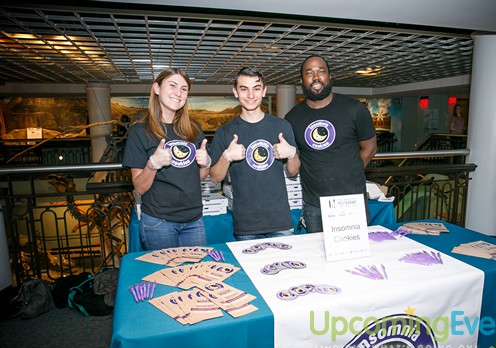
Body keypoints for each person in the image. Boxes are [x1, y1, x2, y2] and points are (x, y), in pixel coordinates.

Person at [284, 55, 377, 233]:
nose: (316, 77)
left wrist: (351, 172)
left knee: (354, 259)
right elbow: (294, 161)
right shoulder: (292, 118)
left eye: (321, 71)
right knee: (319, 258)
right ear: (301, 80)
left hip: (350, 202)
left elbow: (369, 148)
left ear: (330, 76)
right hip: (314, 205)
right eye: (309, 73)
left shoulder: (354, 108)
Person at [122, 67, 211, 250]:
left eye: (184, 89)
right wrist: (153, 164)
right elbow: (139, 187)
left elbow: (199, 177)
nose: (178, 93)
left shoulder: (193, 129)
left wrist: (206, 164)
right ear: (156, 88)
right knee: (165, 277)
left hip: (194, 220)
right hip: (158, 222)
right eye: (172, 85)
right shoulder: (140, 131)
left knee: (195, 276)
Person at [209, 67, 300, 240]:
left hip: (280, 222)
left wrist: (291, 153)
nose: (251, 95)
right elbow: (215, 177)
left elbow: (293, 171)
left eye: (256, 88)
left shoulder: (282, 126)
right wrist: (226, 157)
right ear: (235, 92)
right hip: (246, 225)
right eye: (244, 89)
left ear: (264, 91)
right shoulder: (225, 132)